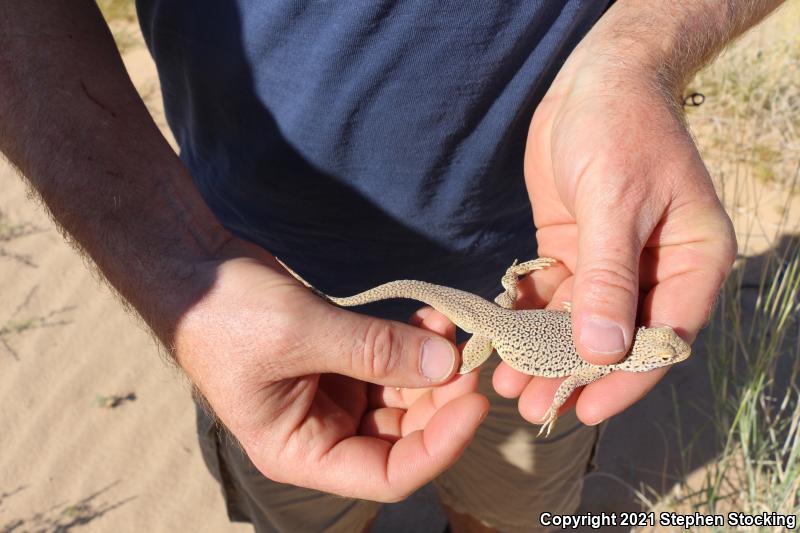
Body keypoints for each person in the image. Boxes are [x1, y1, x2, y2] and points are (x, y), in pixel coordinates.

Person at [0, 1, 782, 531]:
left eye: (664, 345)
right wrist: (178, 262)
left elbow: (571, 367)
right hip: (252, 271)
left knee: (514, 509)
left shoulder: (600, 334)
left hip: (532, 268)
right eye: (663, 346)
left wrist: (638, 52)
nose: (667, 344)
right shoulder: (600, 345)